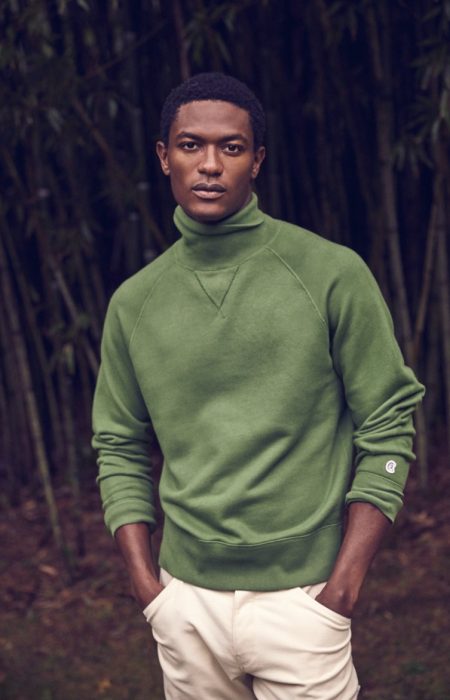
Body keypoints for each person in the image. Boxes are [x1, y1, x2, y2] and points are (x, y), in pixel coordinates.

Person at [92, 72, 425, 699]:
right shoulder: (134, 303)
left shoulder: (330, 274)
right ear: (163, 157)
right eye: (190, 145)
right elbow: (119, 445)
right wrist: (148, 588)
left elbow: (388, 424)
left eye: (232, 147)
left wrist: (343, 586)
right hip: (185, 604)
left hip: (304, 601)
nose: (209, 164)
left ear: (257, 160)